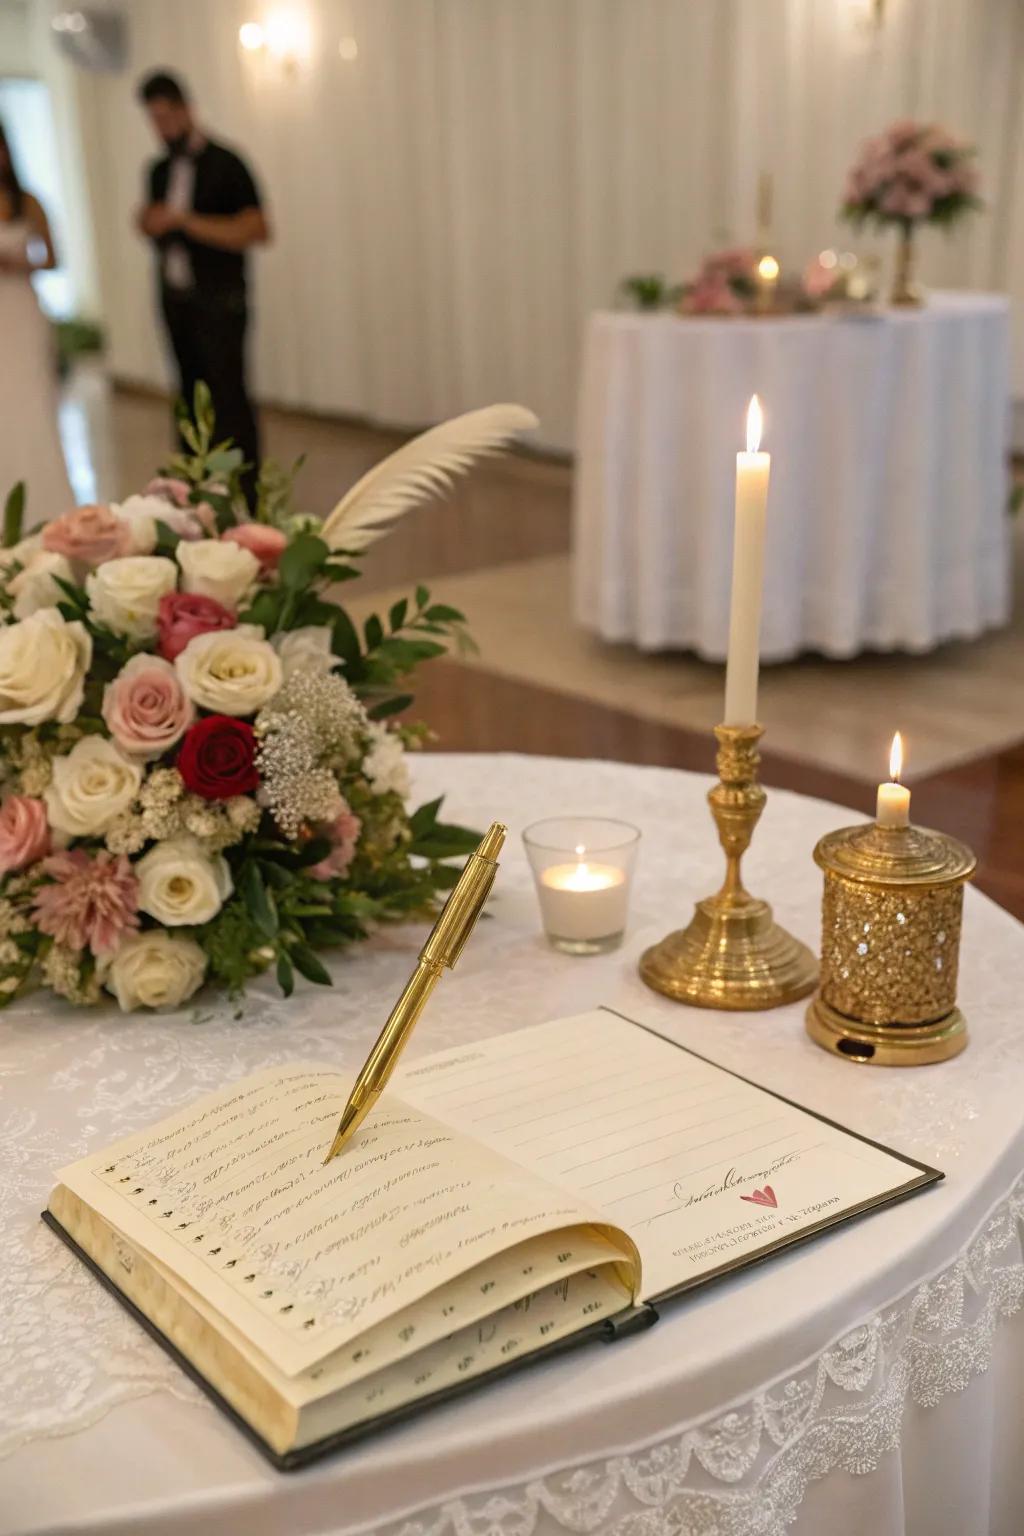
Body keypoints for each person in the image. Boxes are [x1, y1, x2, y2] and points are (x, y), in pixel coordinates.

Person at [135, 71, 269, 501]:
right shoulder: (157, 170)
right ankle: (195, 492)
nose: (161, 127)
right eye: (153, 120)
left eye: (166, 116)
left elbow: (257, 229)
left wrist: (185, 221)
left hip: (221, 301)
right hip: (175, 299)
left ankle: (247, 493)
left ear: (186, 110)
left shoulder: (227, 163)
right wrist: (149, 222)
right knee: (187, 399)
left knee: (229, 397)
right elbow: (153, 223)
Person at [0, 120, 75, 520]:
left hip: (22, 310)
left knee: (35, 406)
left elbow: (54, 258)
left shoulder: (27, 201)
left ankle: (46, 504)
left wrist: (21, 263)